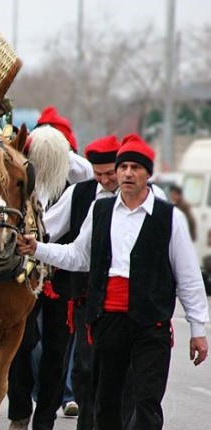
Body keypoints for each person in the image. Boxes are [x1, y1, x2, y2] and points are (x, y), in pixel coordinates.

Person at [17, 134, 209, 430]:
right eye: (123, 167)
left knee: (145, 399)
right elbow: (77, 256)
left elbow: (188, 276)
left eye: (135, 167)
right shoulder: (101, 210)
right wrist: (37, 248)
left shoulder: (168, 216)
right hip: (107, 321)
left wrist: (198, 329)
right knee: (105, 399)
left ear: (148, 174)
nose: (127, 174)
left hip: (150, 323)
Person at [7, 114, 93, 430]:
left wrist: (53, 143)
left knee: (57, 349)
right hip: (23, 273)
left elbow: (82, 167)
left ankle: (45, 417)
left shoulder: (77, 179)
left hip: (62, 274)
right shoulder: (21, 175)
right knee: (22, 342)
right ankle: (18, 411)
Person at [42, 135, 123, 430]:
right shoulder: (80, 194)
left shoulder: (153, 199)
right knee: (85, 371)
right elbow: (49, 231)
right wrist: (29, 244)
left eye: (110, 173)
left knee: (126, 377)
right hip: (87, 300)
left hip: (131, 305)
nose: (105, 180)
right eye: (98, 174)